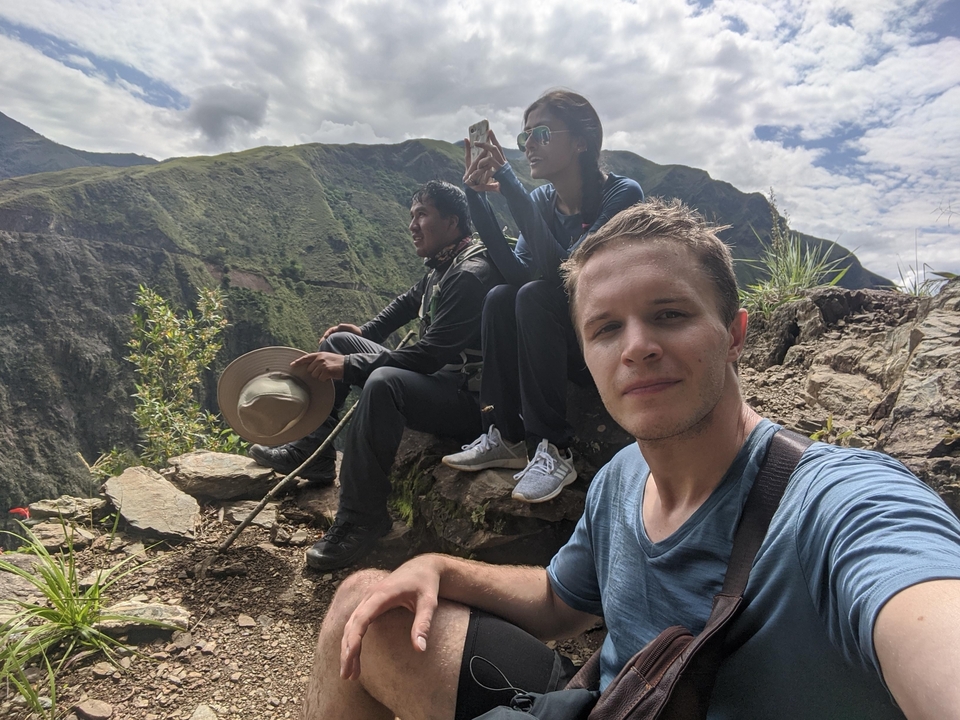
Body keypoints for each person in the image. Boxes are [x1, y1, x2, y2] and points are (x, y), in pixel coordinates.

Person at [300, 198, 960, 720]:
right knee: (369, 601)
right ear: (585, 355)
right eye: (607, 327)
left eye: (669, 315)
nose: (636, 347)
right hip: (614, 699)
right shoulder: (624, 478)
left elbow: (929, 620)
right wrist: (436, 566)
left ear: (735, 336)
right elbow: (562, 600)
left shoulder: (843, 506)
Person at [249, 180, 503, 572]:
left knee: (385, 383)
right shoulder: (445, 264)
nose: (412, 225)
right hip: (442, 382)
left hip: (469, 400)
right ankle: (312, 454)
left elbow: (432, 354)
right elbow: (406, 303)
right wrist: (362, 336)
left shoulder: (470, 274)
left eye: (422, 215)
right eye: (411, 216)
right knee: (340, 343)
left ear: (452, 222)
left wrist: (351, 368)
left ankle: (361, 518)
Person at [442, 90, 643, 504]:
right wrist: (477, 199)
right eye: (524, 137)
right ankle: (507, 437)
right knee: (501, 295)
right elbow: (515, 273)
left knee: (534, 294)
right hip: (561, 339)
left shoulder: (622, 195)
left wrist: (511, 187)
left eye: (542, 133)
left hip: (608, 342)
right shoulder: (541, 202)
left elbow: (570, 280)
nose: (529, 144)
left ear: (582, 141)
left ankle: (554, 448)